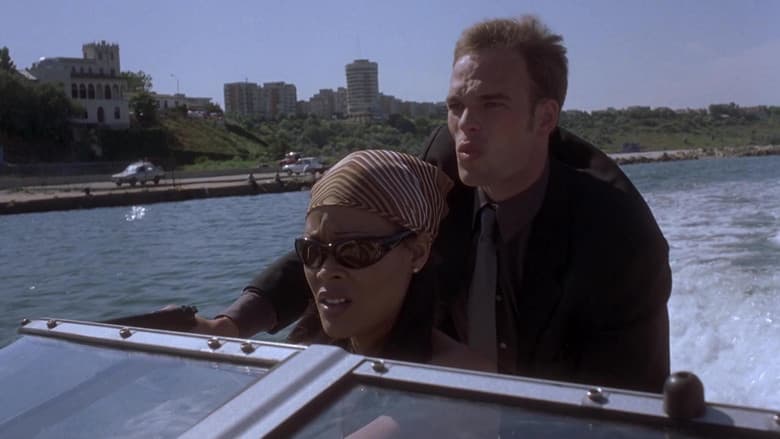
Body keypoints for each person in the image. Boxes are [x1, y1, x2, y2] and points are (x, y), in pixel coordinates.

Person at [195, 15, 671, 394]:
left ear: (544, 118)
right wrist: (234, 321)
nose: (466, 124)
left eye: (492, 104)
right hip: (442, 403)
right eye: (456, 106)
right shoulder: (443, 165)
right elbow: (345, 241)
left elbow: (627, 404)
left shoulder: (618, 237)